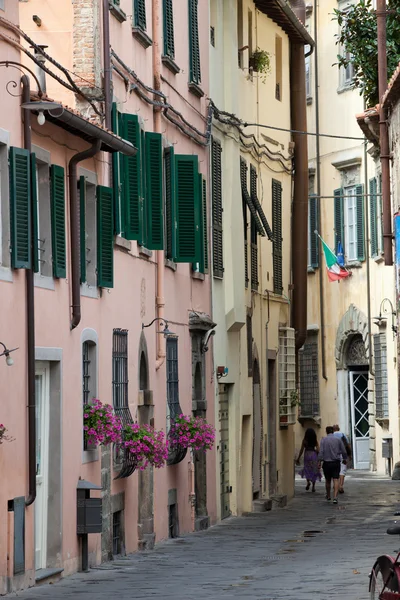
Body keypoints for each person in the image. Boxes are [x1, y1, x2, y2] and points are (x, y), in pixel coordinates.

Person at [318, 426, 347, 504]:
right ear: (333, 432)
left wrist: (319, 462)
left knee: (327, 480)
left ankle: (328, 495)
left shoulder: (323, 440)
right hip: (336, 462)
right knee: (336, 479)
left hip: (326, 463)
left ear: (326, 431)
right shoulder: (338, 440)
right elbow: (344, 450)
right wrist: (345, 459)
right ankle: (335, 497)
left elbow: (321, 452)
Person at [296, 428, 321, 492]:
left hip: (307, 454)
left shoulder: (304, 440)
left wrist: (298, 458)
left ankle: (308, 482)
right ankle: (313, 486)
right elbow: (318, 449)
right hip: (313, 455)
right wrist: (318, 456)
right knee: (314, 470)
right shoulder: (315, 441)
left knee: (307, 469)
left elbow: (301, 450)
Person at [333, 424, 352, 494]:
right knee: (342, 471)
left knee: (334, 471)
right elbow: (348, 445)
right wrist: (349, 455)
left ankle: (335, 485)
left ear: (333, 429)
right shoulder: (343, 435)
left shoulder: (331, 435)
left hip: (333, 455)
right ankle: (341, 485)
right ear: (339, 428)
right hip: (343, 455)